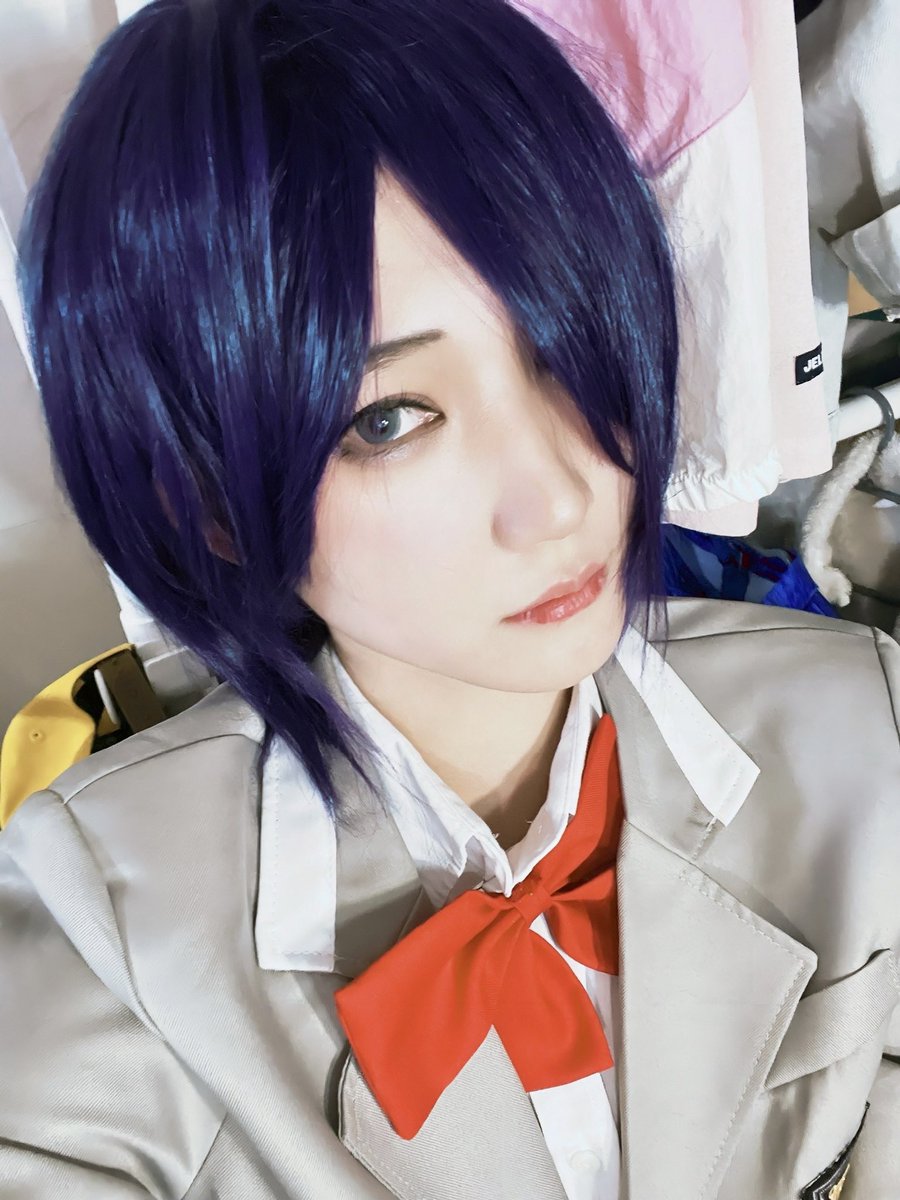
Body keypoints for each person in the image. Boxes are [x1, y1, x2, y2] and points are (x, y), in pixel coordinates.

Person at [2, 0, 898, 1197]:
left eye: (564, 338)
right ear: (207, 501)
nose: (564, 493)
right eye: (388, 418)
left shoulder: (862, 728)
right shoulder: (101, 942)